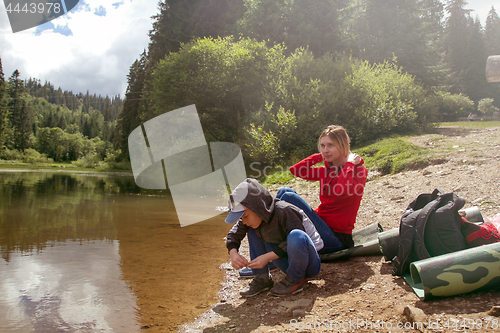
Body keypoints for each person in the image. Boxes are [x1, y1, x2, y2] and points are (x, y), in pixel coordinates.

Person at [225, 178, 324, 297]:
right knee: (251, 228)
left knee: (295, 235)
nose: (244, 221)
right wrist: (233, 253)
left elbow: (299, 240)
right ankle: (262, 278)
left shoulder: (284, 211)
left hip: (308, 262)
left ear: (257, 207)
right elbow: (233, 235)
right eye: (241, 218)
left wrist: (267, 257)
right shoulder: (252, 218)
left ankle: (297, 279)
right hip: (285, 261)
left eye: (245, 216)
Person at [276, 125, 367, 253]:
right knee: (284, 191)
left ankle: (276, 248)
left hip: (336, 238)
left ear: (343, 146)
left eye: (330, 145)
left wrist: (349, 164)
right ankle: (276, 243)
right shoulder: (327, 171)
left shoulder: (359, 171)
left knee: (288, 198)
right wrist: (321, 156)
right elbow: (295, 170)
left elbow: (344, 190)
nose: (325, 149)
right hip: (321, 227)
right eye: (323, 146)